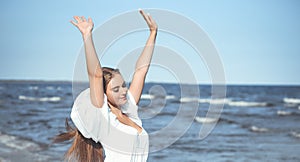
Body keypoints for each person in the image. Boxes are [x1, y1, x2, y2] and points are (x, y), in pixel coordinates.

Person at [54, 9, 157, 162]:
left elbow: (141, 71)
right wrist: (87, 35)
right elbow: (95, 76)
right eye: (115, 89)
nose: (123, 91)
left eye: (123, 86)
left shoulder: (130, 112)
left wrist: (153, 33)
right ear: (104, 94)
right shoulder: (104, 118)